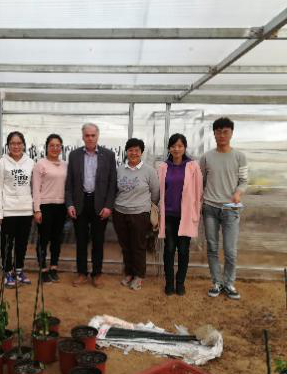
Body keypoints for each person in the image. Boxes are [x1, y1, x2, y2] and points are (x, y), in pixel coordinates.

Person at [200, 117, 248, 300]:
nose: (222, 135)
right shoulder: (206, 157)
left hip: (230, 208)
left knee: (230, 250)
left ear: (231, 133)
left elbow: (244, 181)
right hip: (210, 207)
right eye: (218, 132)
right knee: (212, 247)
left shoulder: (239, 157)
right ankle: (217, 282)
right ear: (214, 134)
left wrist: (238, 193)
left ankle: (229, 283)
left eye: (225, 131)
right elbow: (201, 181)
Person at [65, 123, 117, 288]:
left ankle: (97, 274)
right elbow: (69, 183)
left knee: (98, 241)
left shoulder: (108, 155)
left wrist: (108, 206)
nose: (90, 138)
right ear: (82, 137)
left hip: (100, 204)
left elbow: (112, 183)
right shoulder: (74, 155)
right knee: (81, 241)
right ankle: (82, 273)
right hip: (80, 203)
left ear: (97, 136)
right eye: (87, 135)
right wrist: (70, 204)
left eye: (93, 135)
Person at [158, 134, 203, 296]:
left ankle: (180, 283)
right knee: (169, 249)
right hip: (169, 216)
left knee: (183, 250)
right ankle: (169, 283)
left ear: (184, 148)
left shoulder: (192, 166)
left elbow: (198, 192)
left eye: (180, 146)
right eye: (173, 146)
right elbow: (159, 191)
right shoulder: (163, 167)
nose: (176, 149)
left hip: (186, 217)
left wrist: (195, 213)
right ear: (169, 148)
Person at [113, 138, 159, 291]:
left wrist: (145, 206)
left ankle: (139, 276)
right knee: (125, 246)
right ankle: (129, 273)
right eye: (130, 150)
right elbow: (115, 190)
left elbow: (155, 193)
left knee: (138, 246)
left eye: (137, 150)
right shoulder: (120, 170)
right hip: (120, 213)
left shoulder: (149, 171)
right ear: (126, 152)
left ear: (141, 152)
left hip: (140, 214)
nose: (133, 153)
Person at [0, 131, 35, 288]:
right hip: (8, 211)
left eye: (19, 143)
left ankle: (19, 270)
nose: (16, 146)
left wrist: (35, 208)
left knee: (22, 243)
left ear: (23, 145)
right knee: (7, 244)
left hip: (26, 210)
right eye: (12, 143)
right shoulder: (2, 163)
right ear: (8, 145)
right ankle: (7, 272)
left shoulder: (30, 163)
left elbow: (34, 187)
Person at [32, 134, 67, 283]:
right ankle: (43, 269)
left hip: (61, 206)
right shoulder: (40, 164)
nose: (55, 148)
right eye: (52, 145)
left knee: (57, 239)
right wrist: (37, 209)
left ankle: (54, 267)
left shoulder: (65, 165)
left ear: (61, 148)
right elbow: (35, 188)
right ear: (47, 147)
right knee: (43, 239)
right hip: (45, 206)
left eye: (58, 145)